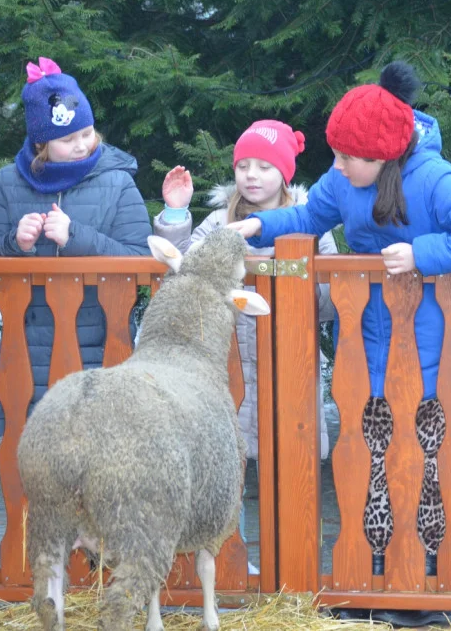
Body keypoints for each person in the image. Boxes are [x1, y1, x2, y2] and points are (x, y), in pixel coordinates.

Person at [228, 62, 451, 625]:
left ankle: (423, 588)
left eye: (346, 157)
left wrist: (423, 255)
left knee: (425, 461)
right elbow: (311, 214)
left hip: (429, 351)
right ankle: (375, 574)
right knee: (373, 460)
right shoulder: (343, 180)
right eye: (334, 156)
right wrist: (261, 227)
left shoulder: (432, 178)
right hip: (366, 349)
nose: (335, 167)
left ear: (382, 155)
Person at [153, 120, 338, 572]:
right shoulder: (220, 222)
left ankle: (297, 559)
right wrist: (176, 215)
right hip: (231, 360)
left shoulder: (312, 220)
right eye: (243, 166)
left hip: (292, 360)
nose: (252, 176)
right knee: (228, 461)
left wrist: (294, 275)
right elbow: (181, 272)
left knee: (293, 458)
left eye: (264, 166)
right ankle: (232, 559)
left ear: (285, 174)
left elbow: (332, 296)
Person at [0, 57, 152, 437]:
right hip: (28, 350)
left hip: (103, 347)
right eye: (67, 139)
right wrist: (16, 243)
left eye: (87, 133)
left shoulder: (118, 182)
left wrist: (75, 237)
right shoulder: (8, 183)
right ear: (41, 142)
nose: (80, 146)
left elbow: (142, 261)